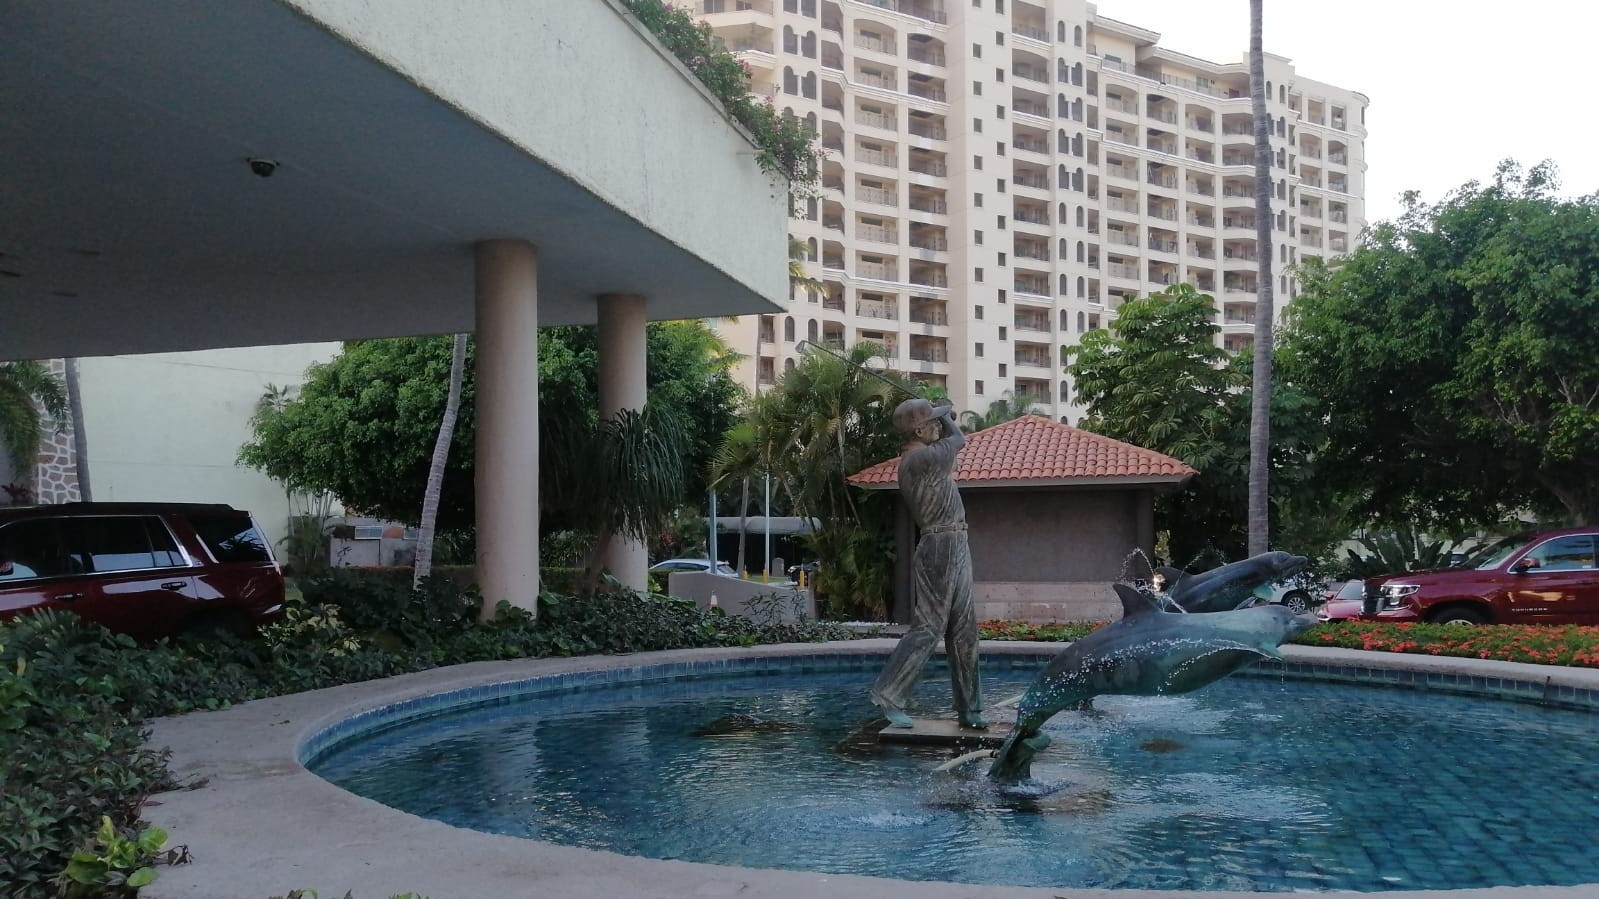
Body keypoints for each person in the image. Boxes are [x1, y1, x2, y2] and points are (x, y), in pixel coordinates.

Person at [869, 396, 985, 729]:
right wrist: (947, 411)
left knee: (964, 628)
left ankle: (971, 708)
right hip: (940, 545)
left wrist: (939, 411)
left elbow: (952, 438)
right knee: (929, 626)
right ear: (919, 430)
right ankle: (889, 693)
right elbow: (959, 439)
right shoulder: (919, 459)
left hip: (955, 541)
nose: (937, 424)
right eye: (931, 421)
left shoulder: (927, 457)